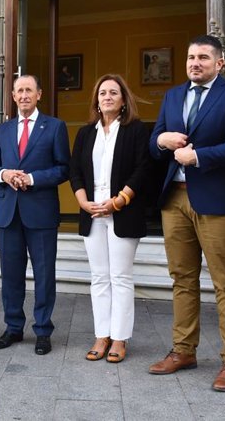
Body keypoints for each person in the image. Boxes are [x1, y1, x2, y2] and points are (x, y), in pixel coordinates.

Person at [148, 35, 225, 392]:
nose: (195, 63)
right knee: (182, 279)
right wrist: (162, 141)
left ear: (219, 63)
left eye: (204, 58)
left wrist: (199, 157)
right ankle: (183, 350)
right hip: (174, 200)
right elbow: (156, 139)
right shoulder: (173, 95)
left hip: (217, 199)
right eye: (191, 57)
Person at [69, 74, 151, 363]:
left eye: (113, 92)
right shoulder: (85, 133)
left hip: (122, 211)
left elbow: (143, 169)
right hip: (92, 212)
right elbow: (75, 170)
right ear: (97, 100)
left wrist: (119, 201)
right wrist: (82, 202)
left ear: (123, 99)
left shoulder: (136, 130)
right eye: (102, 92)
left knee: (120, 276)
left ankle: (119, 338)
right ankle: (101, 335)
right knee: (99, 277)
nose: (107, 97)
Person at [0, 74, 70, 355]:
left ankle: (43, 330)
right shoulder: (3, 130)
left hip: (41, 213)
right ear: (12, 96)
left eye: (29, 90)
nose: (23, 95)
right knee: (11, 275)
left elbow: (63, 168)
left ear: (39, 94)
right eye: (19, 91)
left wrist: (32, 179)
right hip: (9, 212)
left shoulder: (55, 127)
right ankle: (13, 327)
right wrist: (4, 174)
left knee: (44, 274)